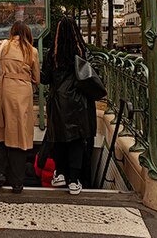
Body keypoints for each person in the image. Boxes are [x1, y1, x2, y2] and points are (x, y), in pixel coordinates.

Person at [41, 17, 97, 195]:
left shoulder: (53, 54)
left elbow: (45, 79)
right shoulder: (82, 51)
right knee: (77, 140)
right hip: (79, 103)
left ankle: (61, 174)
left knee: (58, 139)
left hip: (58, 103)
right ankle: (74, 180)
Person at [0, 20, 40, 194]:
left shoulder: (3, 46)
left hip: (4, 92)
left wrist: (1, 73)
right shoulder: (33, 51)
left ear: (12, 32)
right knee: (20, 138)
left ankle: (0, 172)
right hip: (23, 96)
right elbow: (36, 78)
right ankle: (17, 182)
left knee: (0, 133)